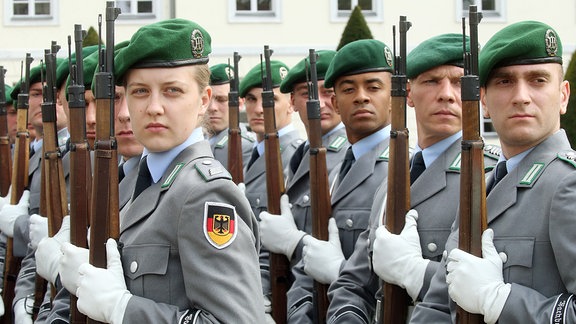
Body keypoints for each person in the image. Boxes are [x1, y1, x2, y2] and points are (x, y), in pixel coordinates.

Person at [58, 18, 264, 323]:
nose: (154, 107)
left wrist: (122, 308)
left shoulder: (204, 192)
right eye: (140, 91)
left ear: (203, 100)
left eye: (172, 91)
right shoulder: (131, 183)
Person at [410, 21, 576, 323]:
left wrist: (500, 299)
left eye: (538, 80)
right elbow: (436, 305)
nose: (521, 96)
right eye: (504, 82)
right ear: (483, 101)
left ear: (563, 95)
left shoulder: (568, 185)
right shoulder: (481, 187)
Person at [325, 33, 499, 322]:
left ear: (476, 95)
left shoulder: (487, 176)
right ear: (407, 95)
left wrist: (414, 271)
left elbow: (483, 290)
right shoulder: (394, 179)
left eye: (458, 82)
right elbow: (354, 283)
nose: (446, 94)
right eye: (431, 81)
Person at [287, 39, 394, 322]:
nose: (361, 97)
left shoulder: (402, 170)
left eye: (373, 87)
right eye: (349, 89)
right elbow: (307, 267)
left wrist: (339, 271)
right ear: (335, 103)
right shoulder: (335, 172)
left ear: (394, 96)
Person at [259, 49, 348, 267]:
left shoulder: (347, 156)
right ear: (292, 102)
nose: (318, 103)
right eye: (307, 94)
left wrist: (294, 244)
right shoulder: (298, 155)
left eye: (327, 92)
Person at [205, 63, 254, 170]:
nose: (212, 107)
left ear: (240, 104)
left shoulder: (245, 146)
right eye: (208, 100)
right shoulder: (200, 140)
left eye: (221, 100)